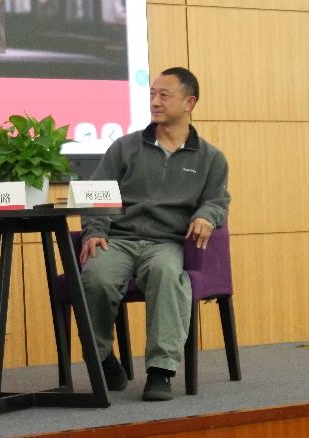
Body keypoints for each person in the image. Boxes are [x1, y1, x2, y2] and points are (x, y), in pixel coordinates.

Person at [79, 67, 230, 401]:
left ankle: (161, 370)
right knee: (96, 276)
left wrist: (206, 215)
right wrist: (94, 230)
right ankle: (102, 358)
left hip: (167, 243)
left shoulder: (211, 158)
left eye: (164, 95)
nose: (155, 102)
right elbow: (96, 194)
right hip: (118, 239)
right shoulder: (125, 147)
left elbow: (217, 201)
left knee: (165, 274)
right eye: (152, 94)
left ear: (189, 103)